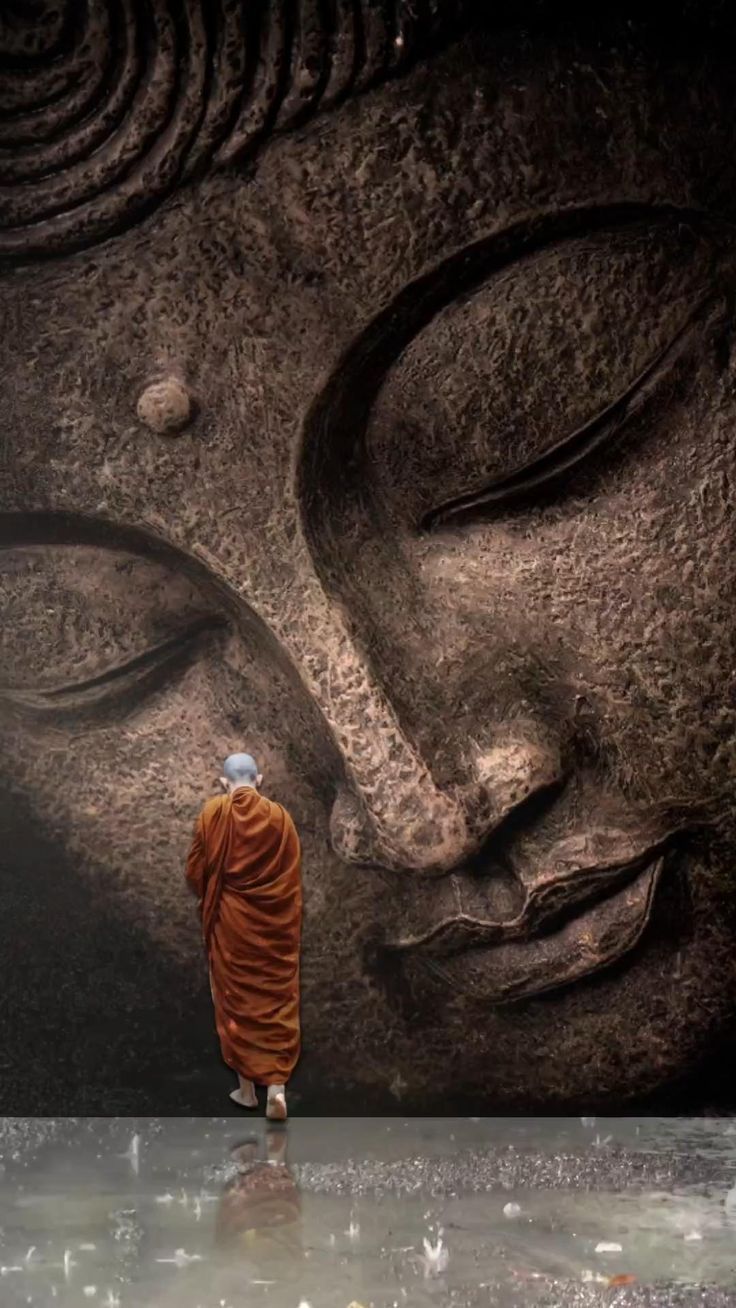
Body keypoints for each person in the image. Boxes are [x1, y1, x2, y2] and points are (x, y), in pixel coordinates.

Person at [185, 753, 302, 1120]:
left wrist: (218, 890)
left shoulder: (213, 813)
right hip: (274, 928)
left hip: (231, 923)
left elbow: (194, 871)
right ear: (260, 780)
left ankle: (248, 1090)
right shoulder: (280, 819)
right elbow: (290, 877)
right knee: (276, 999)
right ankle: (277, 1089)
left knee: (234, 1000)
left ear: (224, 783)